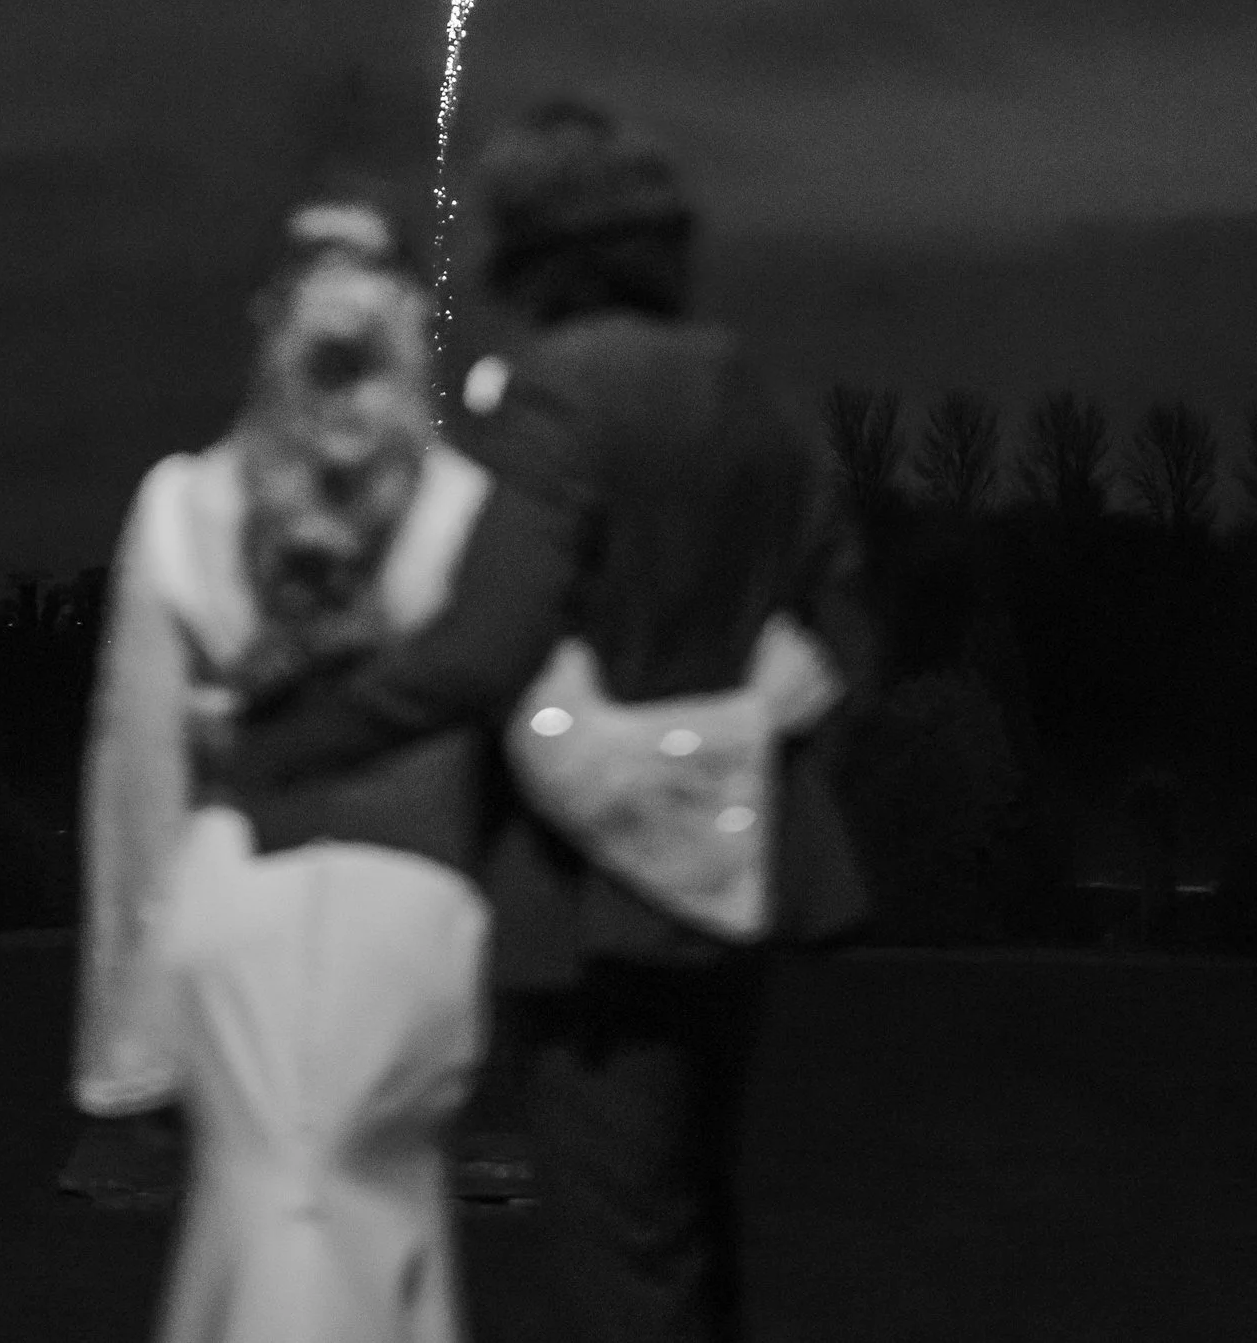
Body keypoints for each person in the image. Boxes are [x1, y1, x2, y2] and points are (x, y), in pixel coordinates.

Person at [222, 102, 876, 1343]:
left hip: (595, 911)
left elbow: (481, 651)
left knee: (616, 1254)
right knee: (691, 1233)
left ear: (538, 256)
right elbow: (847, 644)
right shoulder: (759, 399)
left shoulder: (565, 397)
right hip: (731, 893)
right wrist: (730, 749)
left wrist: (292, 744)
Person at [72, 199, 494, 1343]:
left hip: (235, 913)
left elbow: (138, 781)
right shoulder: (469, 517)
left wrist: (132, 1045)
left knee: (261, 1222)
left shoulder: (177, 507)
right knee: (372, 1221)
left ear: (271, 318)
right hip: (413, 927)